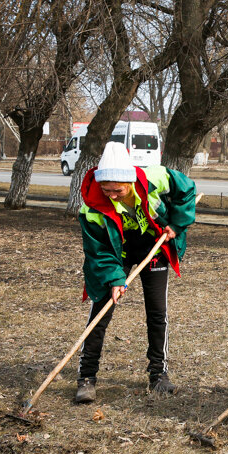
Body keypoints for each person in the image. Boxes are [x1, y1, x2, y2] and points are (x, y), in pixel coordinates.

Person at [76, 142, 197, 403]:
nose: (112, 196)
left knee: (157, 312)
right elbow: (98, 249)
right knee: (101, 310)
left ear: (129, 181)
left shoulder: (154, 178)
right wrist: (114, 278)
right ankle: (87, 377)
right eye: (106, 190)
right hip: (115, 252)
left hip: (154, 247)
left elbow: (187, 189)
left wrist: (176, 223)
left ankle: (159, 375)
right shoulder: (92, 206)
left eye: (117, 190)